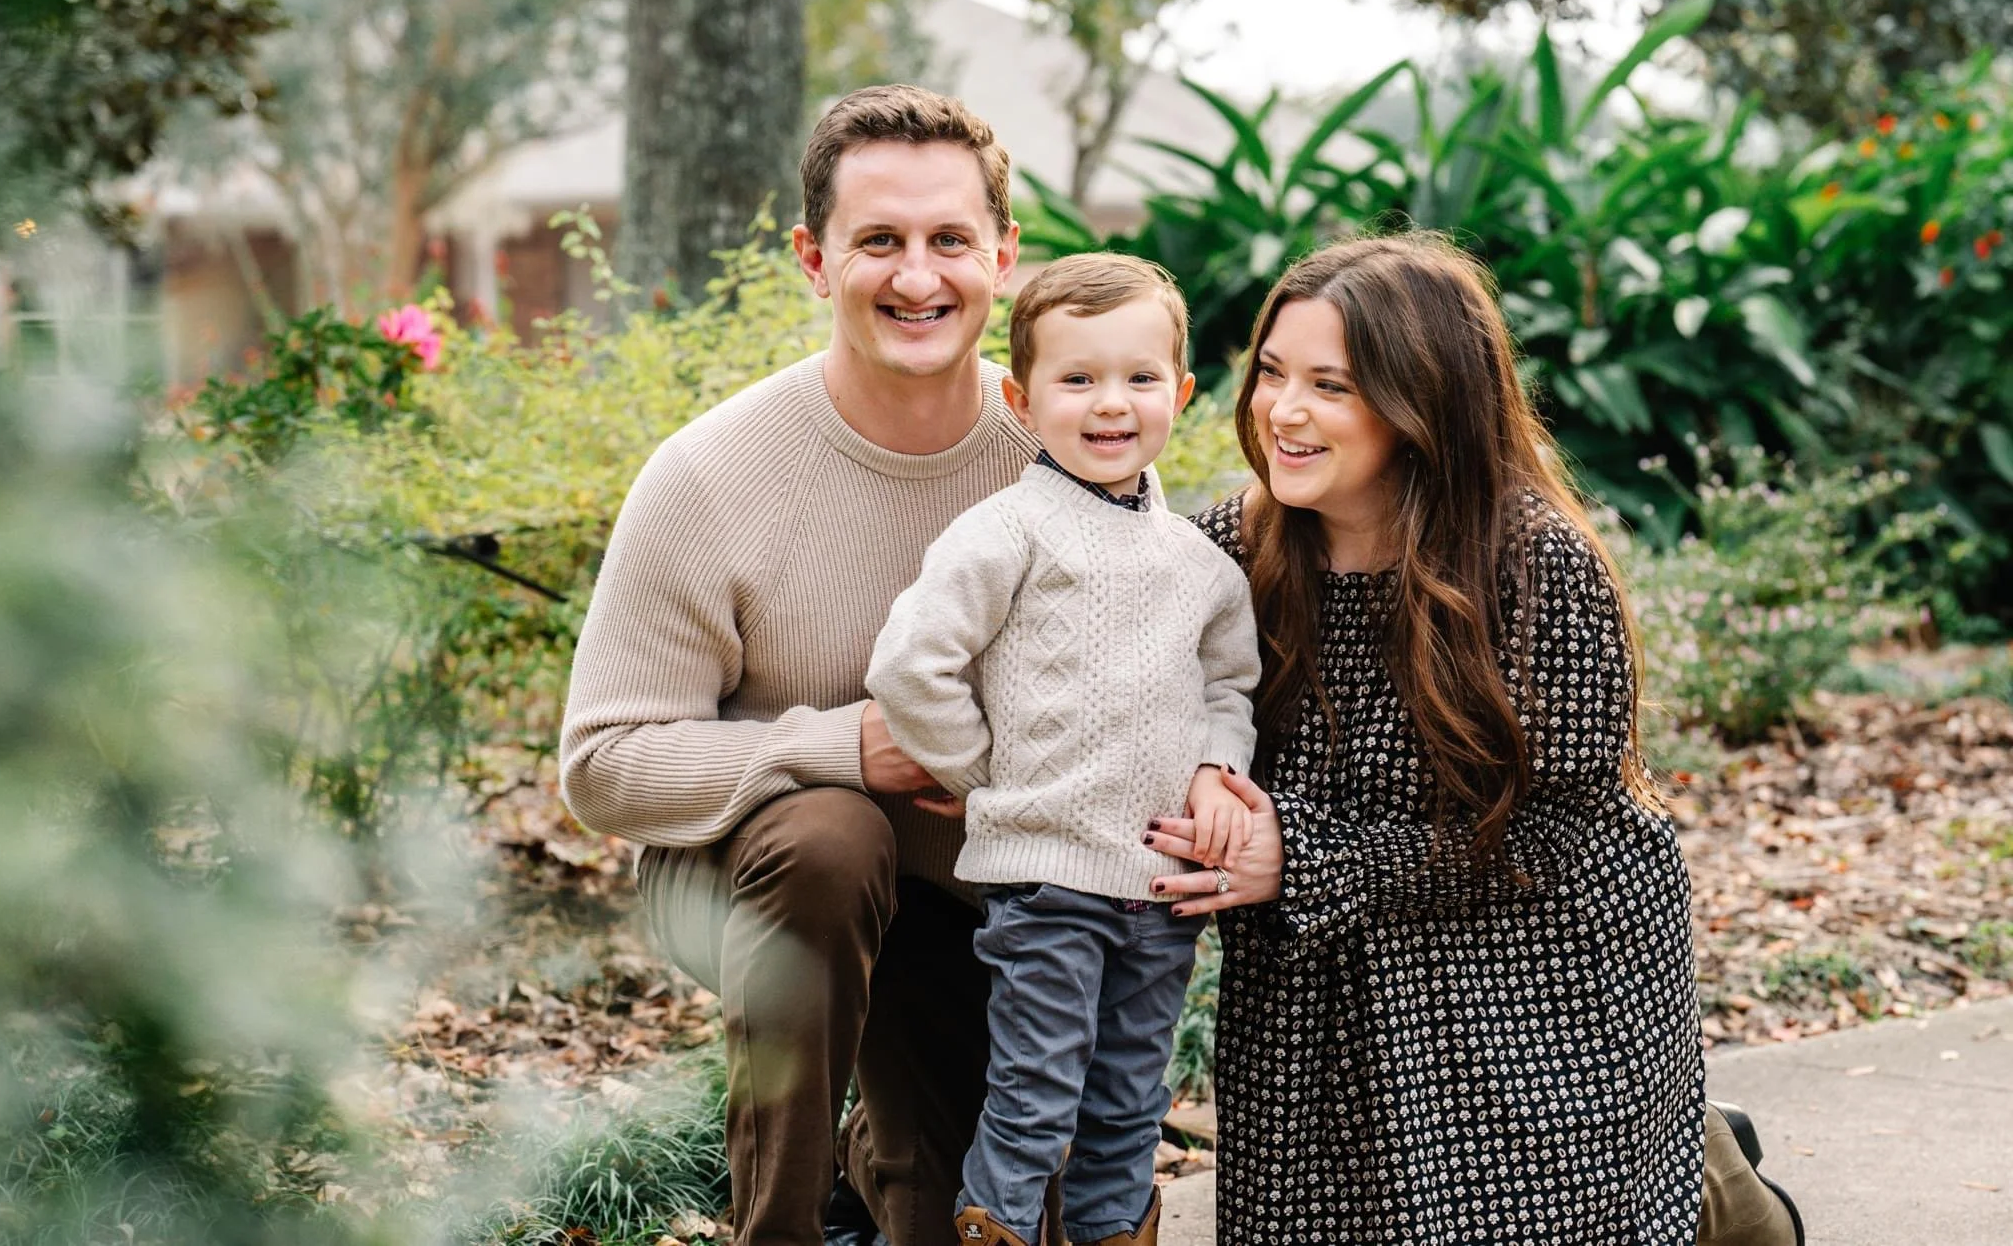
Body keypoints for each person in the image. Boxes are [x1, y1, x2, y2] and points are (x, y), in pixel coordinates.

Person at [1142, 233, 1805, 1245]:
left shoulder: (1536, 566)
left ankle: (1716, 1189)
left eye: (1331, 384)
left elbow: (1558, 838)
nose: (1281, 409)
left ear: (1422, 403)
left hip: (1531, 962)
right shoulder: (1222, 553)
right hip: (1320, 984)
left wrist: (1308, 853)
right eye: (1272, 371)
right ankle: (1688, 1151)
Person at [560, 84, 1042, 1246]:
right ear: (813, 259)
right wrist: (845, 748)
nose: (916, 278)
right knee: (836, 834)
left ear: (1004, 256)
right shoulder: (712, 475)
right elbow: (600, 766)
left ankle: (884, 1165)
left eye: (947, 242)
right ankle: (777, 1223)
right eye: (878, 240)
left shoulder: (1059, 449)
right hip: (751, 870)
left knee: (977, 1223)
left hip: (970, 892)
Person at [865, 254, 1259, 1246]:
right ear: (1020, 397)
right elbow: (913, 664)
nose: (1108, 404)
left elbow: (1228, 686)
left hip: (1159, 883)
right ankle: (992, 1224)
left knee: (1129, 1093)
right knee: (1037, 1083)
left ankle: (1111, 1231)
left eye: (1136, 379)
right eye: (1075, 379)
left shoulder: (1200, 566)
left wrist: (1217, 767)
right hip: (1044, 876)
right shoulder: (1005, 533)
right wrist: (981, 768)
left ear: (1180, 393)